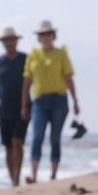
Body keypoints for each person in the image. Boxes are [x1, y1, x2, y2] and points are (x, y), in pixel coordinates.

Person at [21, 20, 80, 184]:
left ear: (53, 35)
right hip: (39, 101)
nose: (45, 37)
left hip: (59, 100)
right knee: (37, 136)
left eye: (48, 34)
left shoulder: (61, 54)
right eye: (42, 34)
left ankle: (53, 175)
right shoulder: (33, 55)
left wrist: (75, 100)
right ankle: (34, 175)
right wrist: (24, 104)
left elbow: (68, 77)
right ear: (38, 37)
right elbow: (27, 81)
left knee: (55, 137)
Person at [0, 27, 27, 186]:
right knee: (8, 147)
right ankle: (12, 180)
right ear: (2, 43)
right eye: (6, 40)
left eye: (12, 39)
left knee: (18, 141)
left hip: (23, 108)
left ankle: (17, 176)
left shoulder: (26, 59)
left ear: (17, 41)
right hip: (4, 110)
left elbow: (33, 82)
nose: (9, 43)